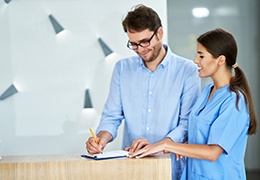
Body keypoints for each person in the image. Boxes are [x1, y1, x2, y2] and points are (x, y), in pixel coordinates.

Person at [86, 4, 200, 179]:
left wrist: (158, 146)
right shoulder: (122, 69)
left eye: (145, 41)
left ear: (159, 33)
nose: (140, 49)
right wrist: (101, 138)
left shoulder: (187, 71)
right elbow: (112, 116)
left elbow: (187, 123)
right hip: (131, 167)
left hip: (170, 167)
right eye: (134, 44)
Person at [129, 28, 258, 179]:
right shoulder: (207, 91)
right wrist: (154, 146)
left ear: (220, 60)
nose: (196, 60)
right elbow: (198, 137)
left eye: (201, 55)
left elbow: (213, 152)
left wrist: (166, 145)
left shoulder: (234, 101)